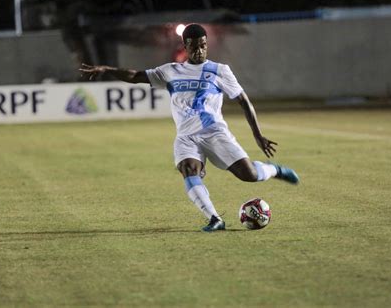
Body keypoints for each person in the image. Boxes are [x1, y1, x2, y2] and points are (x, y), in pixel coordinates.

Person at [79, 23, 299, 232]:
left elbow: (243, 100)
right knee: (188, 170)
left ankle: (274, 170)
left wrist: (257, 135)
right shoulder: (171, 71)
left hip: (214, 133)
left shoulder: (219, 70)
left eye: (203, 45)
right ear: (185, 47)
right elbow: (135, 76)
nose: (200, 50)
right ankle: (215, 218)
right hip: (186, 137)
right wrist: (107, 69)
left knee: (249, 175)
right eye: (194, 46)